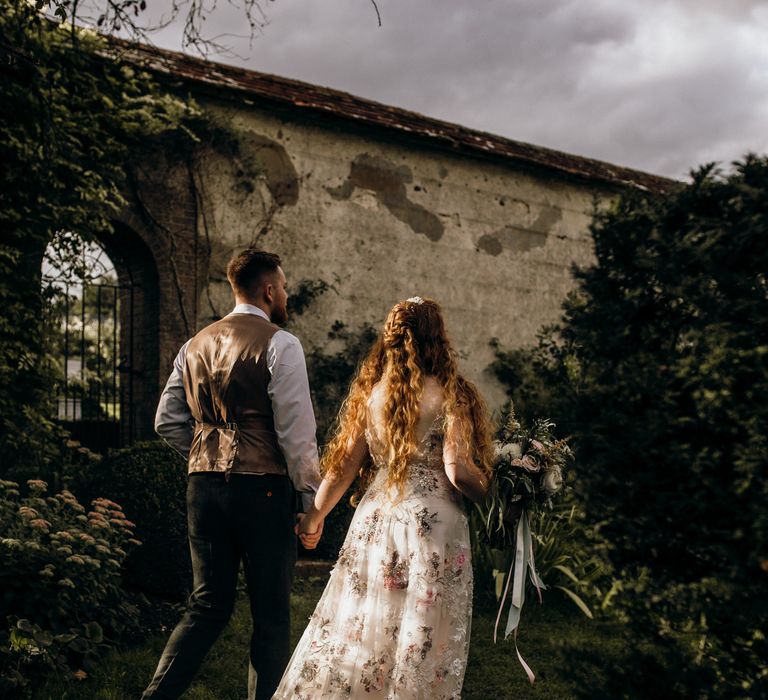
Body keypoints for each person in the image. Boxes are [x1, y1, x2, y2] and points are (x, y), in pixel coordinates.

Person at [279, 296, 493, 699]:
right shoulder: (450, 394)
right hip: (432, 525)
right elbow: (458, 470)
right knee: (422, 630)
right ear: (436, 337)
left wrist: (313, 517)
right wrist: (496, 491)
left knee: (366, 621)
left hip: (377, 519)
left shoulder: (374, 395)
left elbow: (342, 468)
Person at [143, 248, 322, 700]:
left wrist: (205, 453)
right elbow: (296, 434)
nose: (285, 293)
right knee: (271, 613)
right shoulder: (282, 344)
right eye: (282, 286)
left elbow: (167, 419)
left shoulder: (194, 344)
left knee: (207, 605)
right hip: (261, 491)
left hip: (202, 487)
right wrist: (310, 501)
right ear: (268, 289)